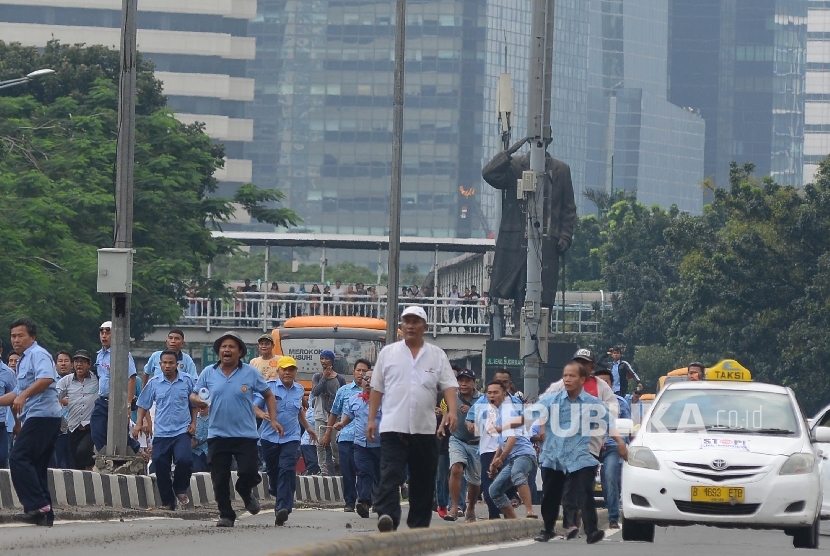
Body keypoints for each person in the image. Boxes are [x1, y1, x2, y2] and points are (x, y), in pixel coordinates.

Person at [367, 306, 458, 532]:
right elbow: (376, 388)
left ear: (424, 327)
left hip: (424, 429)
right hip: (392, 427)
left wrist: (452, 412)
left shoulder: (437, 355)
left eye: (416, 321)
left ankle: (418, 525)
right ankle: (387, 515)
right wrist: (371, 420)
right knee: (390, 473)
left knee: (423, 479)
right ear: (401, 326)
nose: (410, 326)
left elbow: (449, 386)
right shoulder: (388, 353)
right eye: (406, 321)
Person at [189, 331, 282, 528]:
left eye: (231, 347)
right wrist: (198, 401)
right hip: (217, 434)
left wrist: (272, 419)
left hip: (245, 435)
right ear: (218, 351)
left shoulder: (250, 373)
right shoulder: (208, 372)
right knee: (219, 477)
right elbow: (194, 395)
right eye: (223, 347)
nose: (227, 350)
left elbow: (268, 395)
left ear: (240, 351)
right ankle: (226, 514)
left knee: (248, 471)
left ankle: (244, 490)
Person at [482, 137, 576, 324]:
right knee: (520, 283)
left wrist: (565, 235)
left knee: (546, 284)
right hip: (518, 237)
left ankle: (545, 325)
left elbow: (568, 208)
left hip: (549, 239)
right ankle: (519, 323)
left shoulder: (561, 170)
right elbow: (489, 174)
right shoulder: (515, 166)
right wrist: (508, 152)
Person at [533, 361, 627, 545]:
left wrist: (620, 442)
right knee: (552, 493)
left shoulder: (595, 400)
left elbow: (609, 422)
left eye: (572, 376)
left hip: (582, 452)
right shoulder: (554, 394)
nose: (567, 379)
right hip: (556, 452)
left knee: (584, 490)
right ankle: (548, 529)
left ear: (583, 379)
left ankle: (592, 531)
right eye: (565, 375)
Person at [0, 318, 62, 526]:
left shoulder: (38, 354)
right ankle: (45, 514)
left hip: (43, 416)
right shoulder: (23, 360)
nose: (16, 340)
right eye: (13, 336)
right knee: (36, 465)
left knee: (18, 457)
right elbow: (17, 393)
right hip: (39, 417)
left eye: (20, 335)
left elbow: (46, 379)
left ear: (32, 337)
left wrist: (23, 396)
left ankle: (37, 505)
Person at [254, 356, 316, 526]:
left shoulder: (299, 389)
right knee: (274, 472)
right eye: (284, 369)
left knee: (287, 468)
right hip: (269, 437)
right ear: (278, 371)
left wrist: (308, 427)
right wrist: (262, 414)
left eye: (291, 370)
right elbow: (254, 405)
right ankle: (277, 491)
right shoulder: (269, 388)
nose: (288, 373)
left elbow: (299, 412)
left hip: (291, 437)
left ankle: (282, 507)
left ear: (295, 372)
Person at [134, 350, 197, 511]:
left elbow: (195, 404)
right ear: (160, 364)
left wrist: (194, 423)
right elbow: (143, 404)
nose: (167, 366)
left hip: (182, 430)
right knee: (160, 464)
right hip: (162, 432)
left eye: (171, 363)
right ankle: (168, 501)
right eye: (164, 363)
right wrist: (139, 423)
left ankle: (180, 488)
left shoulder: (187, 381)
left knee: (184, 460)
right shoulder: (154, 383)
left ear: (177, 365)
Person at [485, 380, 537, 519]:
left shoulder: (507, 411)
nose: (492, 395)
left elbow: (512, 439)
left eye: (496, 392)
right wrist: (494, 462)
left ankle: (530, 511)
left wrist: (501, 459)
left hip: (524, 455)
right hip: (513, 459)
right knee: (494, 490)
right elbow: (502, 444)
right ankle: (513, 521)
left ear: (504, 394)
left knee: (517, 473)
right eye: (489, 392)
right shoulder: (498, 414)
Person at [335, 369, 381, 519]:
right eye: (366, 378)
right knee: (364, 473)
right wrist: (342, 423)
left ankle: (382, 502)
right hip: (361, 444)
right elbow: (349, 416)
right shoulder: (354, 399)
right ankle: (364, 502)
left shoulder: (386, 400)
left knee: (381, 476)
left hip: (382, 445)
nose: (368, 382)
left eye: (372, 379)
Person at [324, 359, 369, 512]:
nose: (361, 374)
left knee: (365, 470)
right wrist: (328, 432)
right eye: (359, 370)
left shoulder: (375, 392)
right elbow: (334, 412)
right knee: (347, 471)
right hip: (346, 438)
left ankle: (365, 499)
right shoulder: (344, 391)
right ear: (353, 371)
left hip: (366, 439)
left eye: (364, 371)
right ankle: (349, 502)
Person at [91, 321, 141, 454]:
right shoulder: (100, 355)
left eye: (108, 332)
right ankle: (105, 456)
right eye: (102, 332)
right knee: (96, 430)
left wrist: (128, 404)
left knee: (119, 433)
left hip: (118, 401)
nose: (104, 336)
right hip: (102, 400)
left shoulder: (122, 353)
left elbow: (132, 377)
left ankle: (136, 450)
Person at [593, 367, 631, 529]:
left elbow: (628, 427)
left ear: (612, 384)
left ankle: (613, 517)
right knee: (581, 479)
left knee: (609, 477)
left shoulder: (620, 403)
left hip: (612, 446)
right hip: (590, 446)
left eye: (606, 382)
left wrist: (627, 446)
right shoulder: (584, 402)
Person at [444, 368, 482, 522]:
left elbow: (490, 425)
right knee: (456, 468)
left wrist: (472, 412)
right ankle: (454, 507)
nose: (463, 384)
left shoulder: (483, 400)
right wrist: (442, 426)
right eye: (460, 381)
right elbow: (447, 412)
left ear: (474, 383)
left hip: (477, 443)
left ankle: (471, 507)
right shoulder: (453, 397)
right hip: (457, 439)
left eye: (467, 381)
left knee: (474, 481)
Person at [56, 350, 99, 470]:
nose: (79, 364)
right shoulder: (66, 381)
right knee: (75, 462)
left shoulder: (97, 379)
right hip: (73, 427)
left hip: (91, 427)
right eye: (77, 362)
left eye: (83, 362)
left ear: (89, 364)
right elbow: (55, 396)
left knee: (83, 451)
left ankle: (92, 465)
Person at [311, 350, 346, 476]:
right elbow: (315, 392)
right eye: (322, 358)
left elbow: (342, 396)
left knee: (334, 443)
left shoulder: (339, 379)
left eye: (327, 358)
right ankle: (323, 469)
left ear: (332, 361)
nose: (324, 361)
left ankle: (337, 465)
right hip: (320, 414)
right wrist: (324, 378)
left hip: (335, 415)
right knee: (320, 443)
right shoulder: (317, 376)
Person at [0, 343, 17, 469]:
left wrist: (18, 423)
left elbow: (14, 399)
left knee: (2, 459)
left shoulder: (7, 373)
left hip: (1, 424)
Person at [300, 396, 321, 475]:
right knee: (313, 468)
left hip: (314, 443)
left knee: (315, 469)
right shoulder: (312, 411)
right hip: (309, 443)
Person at [191, 404, 210, 473]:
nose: (202, 409)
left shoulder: (213, 419)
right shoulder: (193, 419)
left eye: (204, 407)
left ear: (208, 407)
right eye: (200, 407)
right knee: (196, 471)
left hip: (209, 452)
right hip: (196, 452)